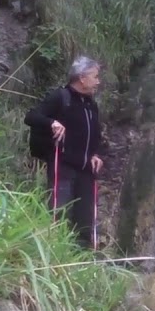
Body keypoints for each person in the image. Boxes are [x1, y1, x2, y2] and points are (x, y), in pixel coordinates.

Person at [24, 56, 107, 249]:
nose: (98, 81)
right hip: (63, 165)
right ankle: (54, 256)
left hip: (86, 169)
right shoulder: (60, 98)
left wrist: (96, 155)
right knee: (60, 213)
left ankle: (82, 262)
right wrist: (51, 122)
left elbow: (94, 135)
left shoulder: (91, 104)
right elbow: (31, 116)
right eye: (95, 76)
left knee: (85, 220)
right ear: (82, 78)